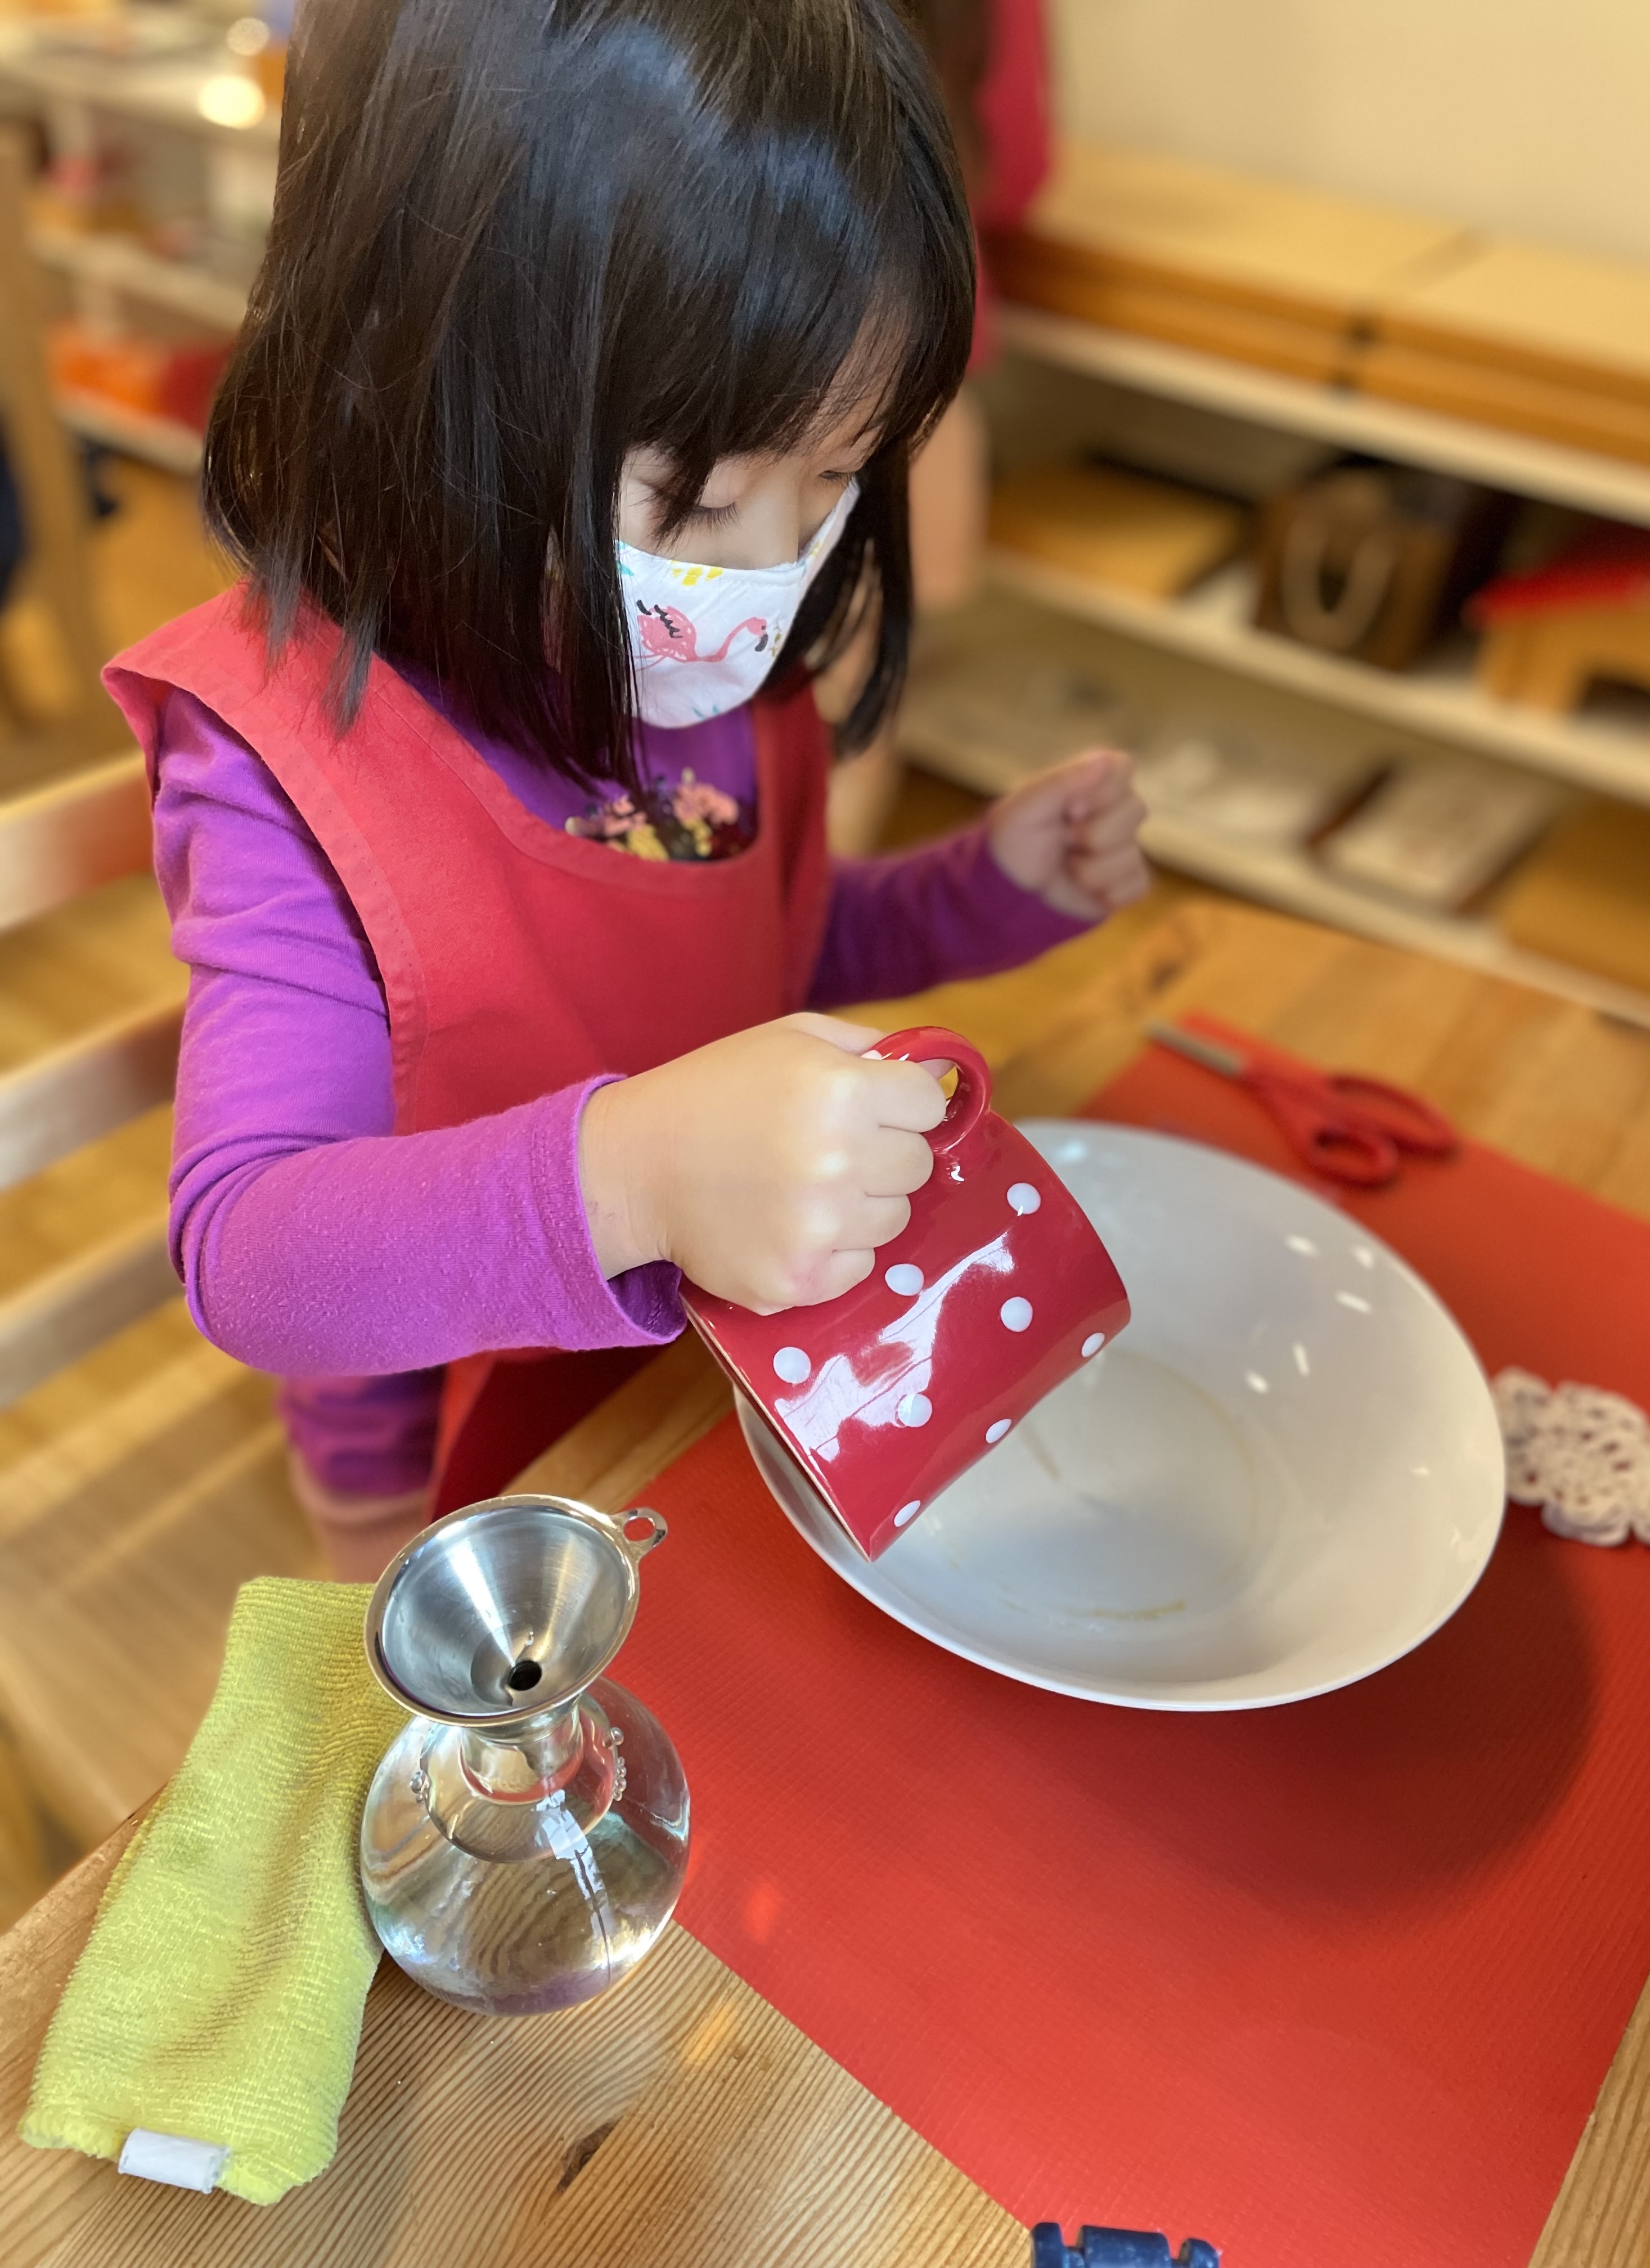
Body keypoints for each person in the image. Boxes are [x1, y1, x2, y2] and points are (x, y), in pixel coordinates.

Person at [106, 0, 1149, 1577]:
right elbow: (252, 1259)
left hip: (713, 1369)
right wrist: (639, 1172)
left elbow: (749, 946)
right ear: (432, 375)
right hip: (456, 1470)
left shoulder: (719, 667)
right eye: (707, 497)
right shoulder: (282, 762)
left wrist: (982, 886)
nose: (771, 575)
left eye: (838, 480)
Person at [824, 0, 1052, 853]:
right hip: (914, 377)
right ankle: (793, 951)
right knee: (858, 715)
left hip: (740, 362)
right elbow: (1015, 175)